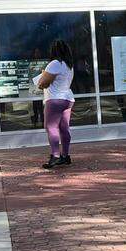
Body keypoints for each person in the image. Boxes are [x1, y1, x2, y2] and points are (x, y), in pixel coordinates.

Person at [34, 39, 75, 169]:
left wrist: (42, 77)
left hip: (55, 99)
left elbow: (42, 84)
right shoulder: (69, 65)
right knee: (64, 128)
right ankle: (65, 156)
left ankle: (55, 156)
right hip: (68, 99)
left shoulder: (54, 63)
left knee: (51, 127)